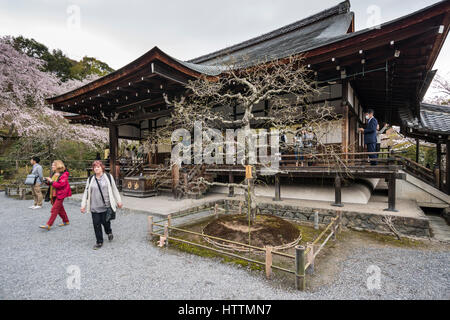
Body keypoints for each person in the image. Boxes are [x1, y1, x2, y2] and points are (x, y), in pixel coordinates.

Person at [81, 160, 123, 250]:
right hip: (94, 207)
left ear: (102, 167)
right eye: (94, 167)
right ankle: (99, 242)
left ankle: (109, 232)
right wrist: (83, 205)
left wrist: (118, 201)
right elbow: (86, 192)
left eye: (98, 167)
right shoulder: (90, 179)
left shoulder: (108, 177)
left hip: (106, 206)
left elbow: (114, 189)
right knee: (96, 224)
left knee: (106, 222)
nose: (96, 168)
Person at [39, 160, 71, 230]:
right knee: (60, 208)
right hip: (53, 193)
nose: (52, 166)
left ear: (58, 166)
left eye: (54, 165)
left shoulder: (64, 175)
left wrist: (51, 181)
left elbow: (60, 185)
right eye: (52, 165)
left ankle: (49, 224)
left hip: (60, 194)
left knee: (55, 209)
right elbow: (51, 183)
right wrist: (46, 181)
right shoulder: (53, 173)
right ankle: (66, 221)